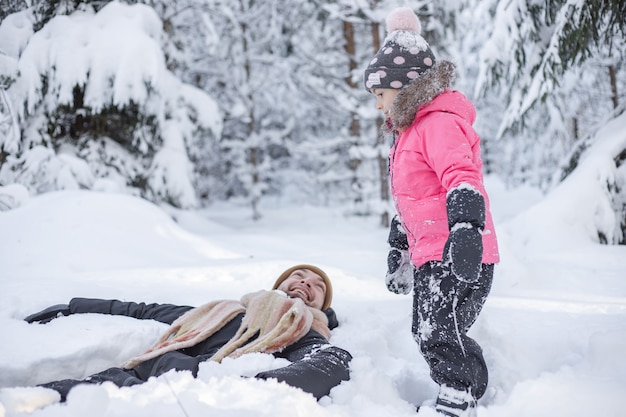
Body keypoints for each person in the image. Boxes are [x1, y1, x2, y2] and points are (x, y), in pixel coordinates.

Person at [363, 7, 499, 417]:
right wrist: (402, 246)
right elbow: (416, 199)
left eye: (381, 96)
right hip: (435, 253)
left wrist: (464, 227)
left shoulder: (437, 124)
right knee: (439, 329)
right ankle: (465, 389)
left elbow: (461, 176)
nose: (378, 107)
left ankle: (457, 395)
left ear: (403, 88)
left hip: (459, 251)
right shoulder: (408, 134)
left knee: (434, 330)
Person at [24, 264, 352, 403]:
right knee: (41, 399)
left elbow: (330, 363)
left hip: (189, 397)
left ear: (323, 305)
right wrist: (73, 306)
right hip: (137, 377)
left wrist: (245, 389)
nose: (307, 282)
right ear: (277, 285)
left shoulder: (305, 329)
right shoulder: (223, 310)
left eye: (318, 285)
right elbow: (143, 309)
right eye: (298, 275)